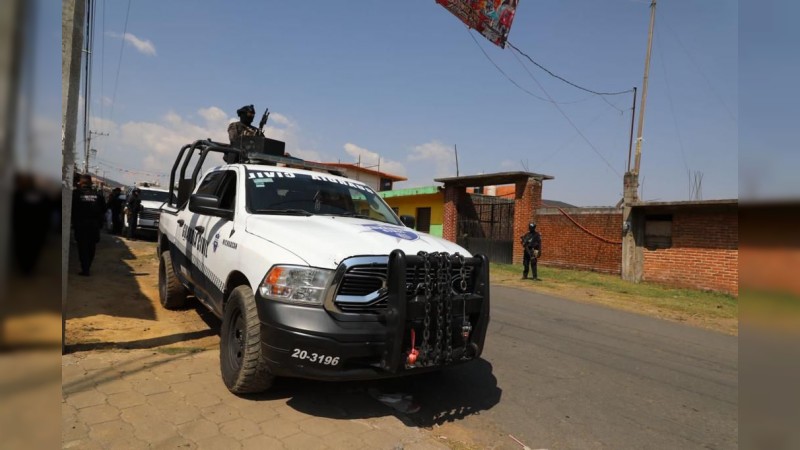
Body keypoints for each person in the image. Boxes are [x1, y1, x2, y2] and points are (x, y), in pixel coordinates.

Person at [71, 174, 106, 276]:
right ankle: (87, 267)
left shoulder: (76, 194)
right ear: (91, 183)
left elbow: (71, 209)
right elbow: (104, 209)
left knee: (82, 247)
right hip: (94, 225)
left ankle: (85, 268)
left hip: (80, 224)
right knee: (91, 247)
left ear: (80, 183)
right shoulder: (98, 195)